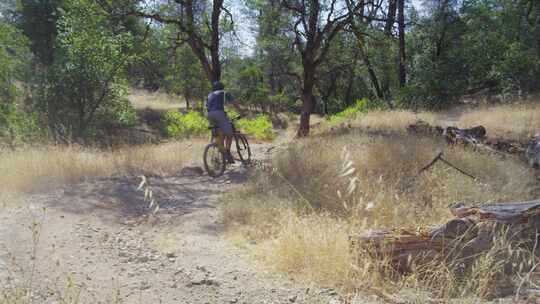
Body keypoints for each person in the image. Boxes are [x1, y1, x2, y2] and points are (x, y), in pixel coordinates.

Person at [206, 81, 242, 164]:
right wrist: (241, 112)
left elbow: (207, 106)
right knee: (229, 133)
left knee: (220, 133)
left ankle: (220, 154)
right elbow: (234, 103)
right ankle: (228, 153)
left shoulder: (210, 95)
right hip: (219, 113)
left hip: (209, 115)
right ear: (222, 87)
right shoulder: (224, 93)